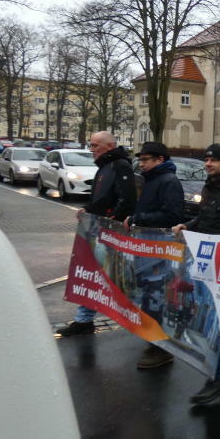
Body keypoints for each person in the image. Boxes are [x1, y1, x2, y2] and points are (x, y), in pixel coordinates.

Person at [173, 143, 220, 403]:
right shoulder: (211, 185)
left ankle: (218, 376)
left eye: (213, 160)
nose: (207, 163)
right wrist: (188, 225)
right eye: (206, 159)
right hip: (207, 259)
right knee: (219, 318)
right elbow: (207, 219)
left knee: (212, 317)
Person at [56, 131, 136, 337]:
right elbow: (102, 197)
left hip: (109, 231)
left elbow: (126, 199)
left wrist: (113, 221)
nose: (91, 150)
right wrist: (88, 208)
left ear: (109, 146)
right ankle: (84, 320)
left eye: (95, 146)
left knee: (116, 278)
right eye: (90, 145)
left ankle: (145, 319)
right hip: (98, 228)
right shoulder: (105, 166)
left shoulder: (119, 166)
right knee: (92, 273)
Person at [127, 141, 184, 369]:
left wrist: (138, 219)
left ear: (160, 160)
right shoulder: (153, 180)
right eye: (140, 160)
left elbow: (172, 215)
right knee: (148, 295)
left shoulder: (168, 181)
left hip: (159, 250)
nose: (141, 164)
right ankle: (155, 341)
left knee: (156, 296)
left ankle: (162, 348)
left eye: (145, 160)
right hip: (148, 249)